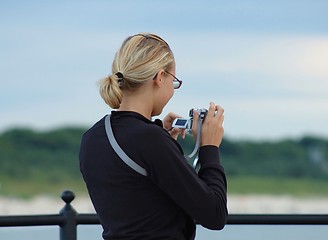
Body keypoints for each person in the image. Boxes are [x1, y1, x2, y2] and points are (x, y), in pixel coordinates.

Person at [79, 33, 227, 240]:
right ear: (160, 77)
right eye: (174, 81)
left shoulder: (92, 138)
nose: (172, 89)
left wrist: (164, 143)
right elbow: (214, 215)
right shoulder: (150, 140)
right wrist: (209, 148)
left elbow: (138, 200)